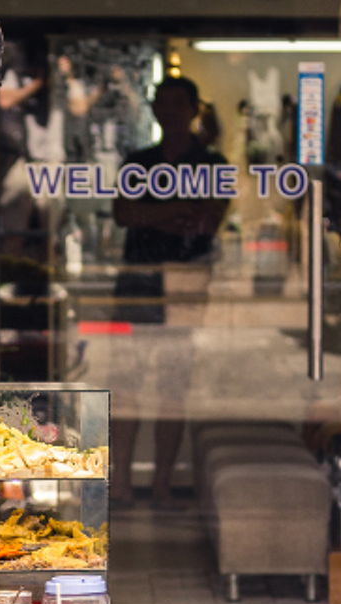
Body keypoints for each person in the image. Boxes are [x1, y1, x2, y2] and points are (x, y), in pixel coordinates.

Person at [109, 76, 230, 507]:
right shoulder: (139, 160)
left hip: (185, 285)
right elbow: (124, 213)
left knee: (172, 389)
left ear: (194, 109)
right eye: (162, 103)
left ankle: (161, 484)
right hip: (138, 282)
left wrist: (153, 214)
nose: (169, 111)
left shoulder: (213, 163)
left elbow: (207, 221)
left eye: (178, 103)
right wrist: (179, 208)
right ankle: (120, 482)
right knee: (126, 385)